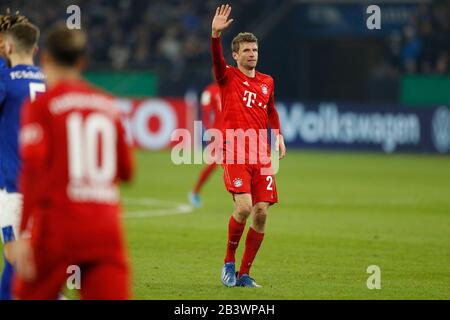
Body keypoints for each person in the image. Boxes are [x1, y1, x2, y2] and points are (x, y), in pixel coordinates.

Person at [13, 25, 134, 300]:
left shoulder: (41, 106)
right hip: (105, 231)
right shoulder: (109, 105)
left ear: (45, 59)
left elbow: (32, 170)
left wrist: (22, 232)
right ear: (82, 62)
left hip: (58, 230)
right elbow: (127, 172)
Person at [211, 4, 286, 288]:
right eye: (246, 51)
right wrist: (215, 35)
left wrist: (277, 134)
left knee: (262, 213)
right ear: (236, 55)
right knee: (243, 208)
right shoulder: (227, 77)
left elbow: (271, 111)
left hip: (261, 154)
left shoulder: (267, 81)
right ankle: (228, 263)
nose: (252, 54)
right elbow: (217, 62)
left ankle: (244, 274)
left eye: (254, 50)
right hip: (235, 150)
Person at [0, 12, 35, 301]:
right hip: (42, 186)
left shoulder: (6, 79)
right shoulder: (49, 77)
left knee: (14, 259)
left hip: (13, 185)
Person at [188, 78, 222, 208]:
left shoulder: (233, 88)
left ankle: (243, 197)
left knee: (239, 164)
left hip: (235, 131)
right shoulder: (209, 91)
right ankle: (195, 192)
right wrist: (209, 129)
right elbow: (206, 113)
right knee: (213, 164)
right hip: (218, 133)